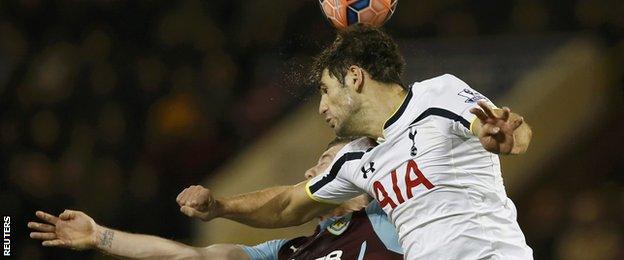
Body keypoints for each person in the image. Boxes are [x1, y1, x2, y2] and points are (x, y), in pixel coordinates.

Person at [177, 24, 534, 259]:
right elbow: (288, 204)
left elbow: (503, 127)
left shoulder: (435, 95)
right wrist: (221, 207)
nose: (321, 108)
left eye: (326, 91)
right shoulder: (355, 159)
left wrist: (507, 137)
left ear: (355, 77)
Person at [28, 137, 404, 259]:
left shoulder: (394, 223)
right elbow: (191, 257)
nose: (309, 174)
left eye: (325, 164)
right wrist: (99, 235)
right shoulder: (289, 250)